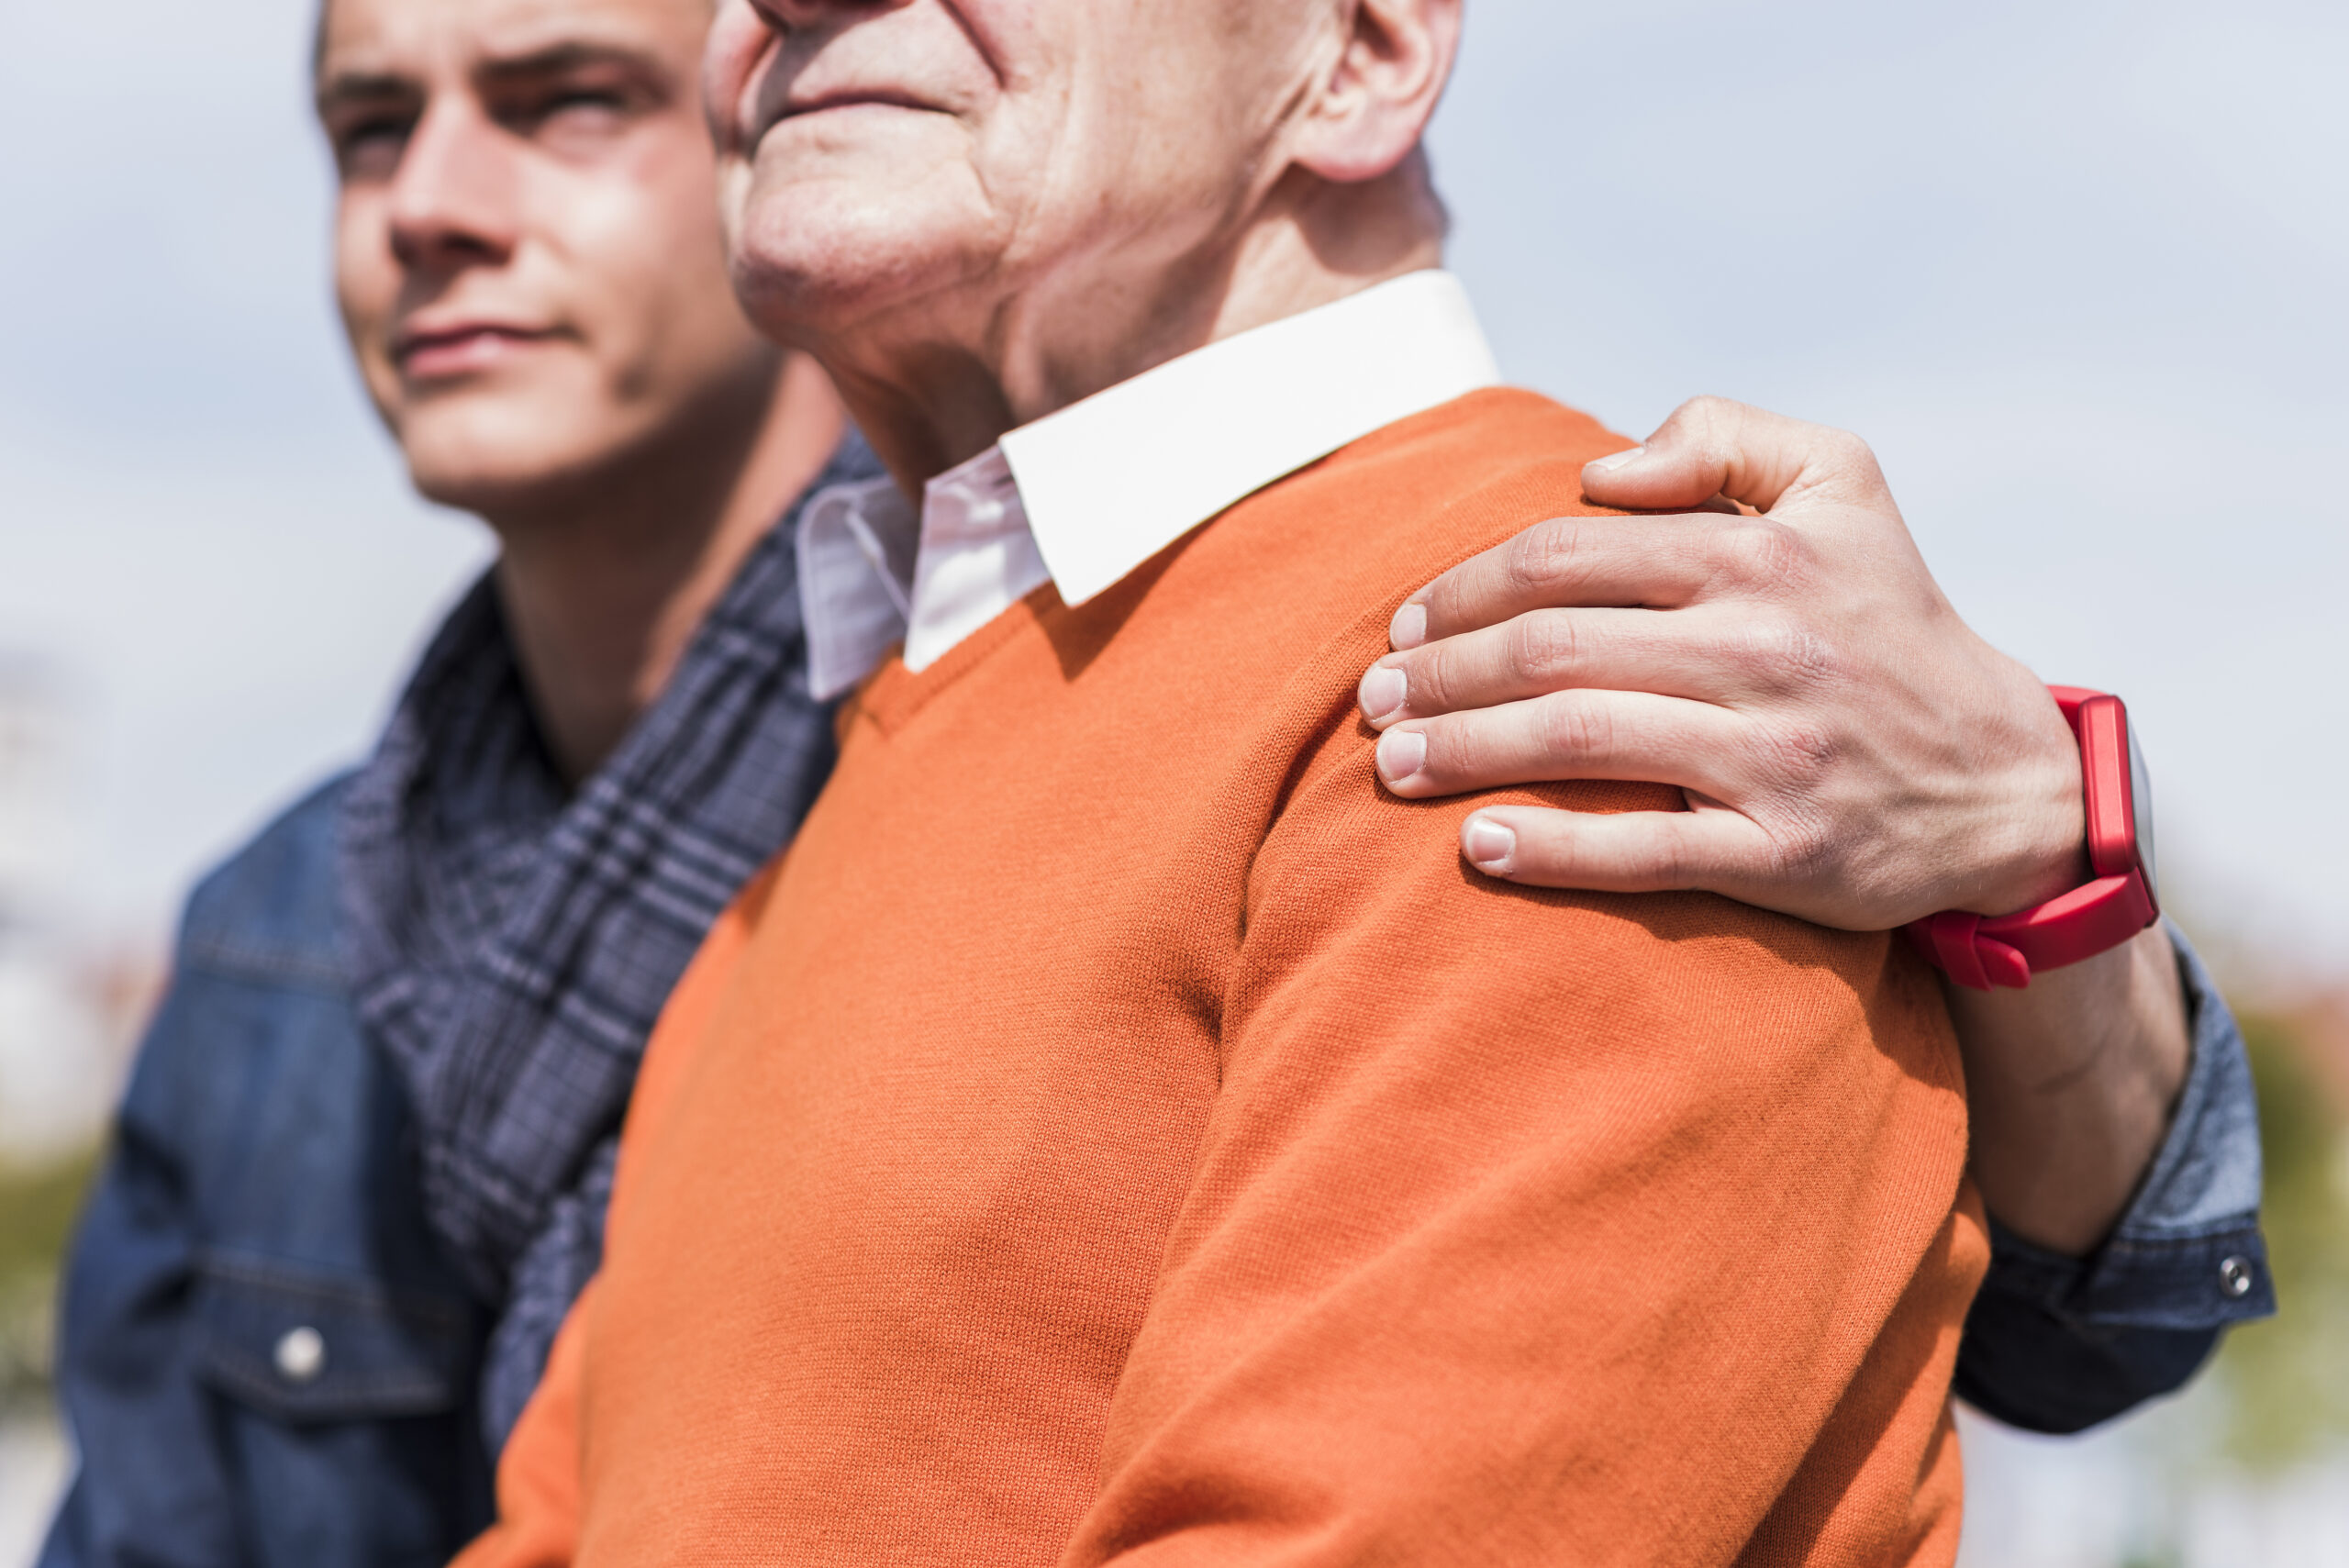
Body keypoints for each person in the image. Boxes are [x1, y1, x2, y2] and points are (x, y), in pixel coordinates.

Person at [40, 1, 2266, 1566]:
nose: (778, 4)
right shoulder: (879, 732)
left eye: (555, 96)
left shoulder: (1591, 662)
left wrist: (2050, 864)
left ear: (1366, 46)